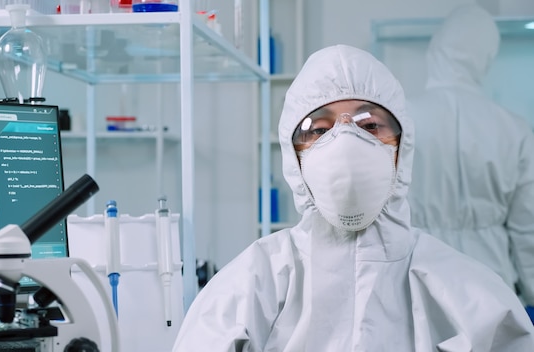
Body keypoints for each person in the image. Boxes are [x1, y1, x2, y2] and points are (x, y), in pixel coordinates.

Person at [172, 44, 534, 351]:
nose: (345, 145)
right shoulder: (254, 281)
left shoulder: (470, 294)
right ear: (293, 155)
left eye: (370, 125)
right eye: (319, 129)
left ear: (401, 150)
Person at [407, 4, 534, 312]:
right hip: (492, 288)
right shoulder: (514, 130)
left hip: (417, 284)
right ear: (485, 59)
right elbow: (526, 229)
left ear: (436, 49)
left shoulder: (401, 119)